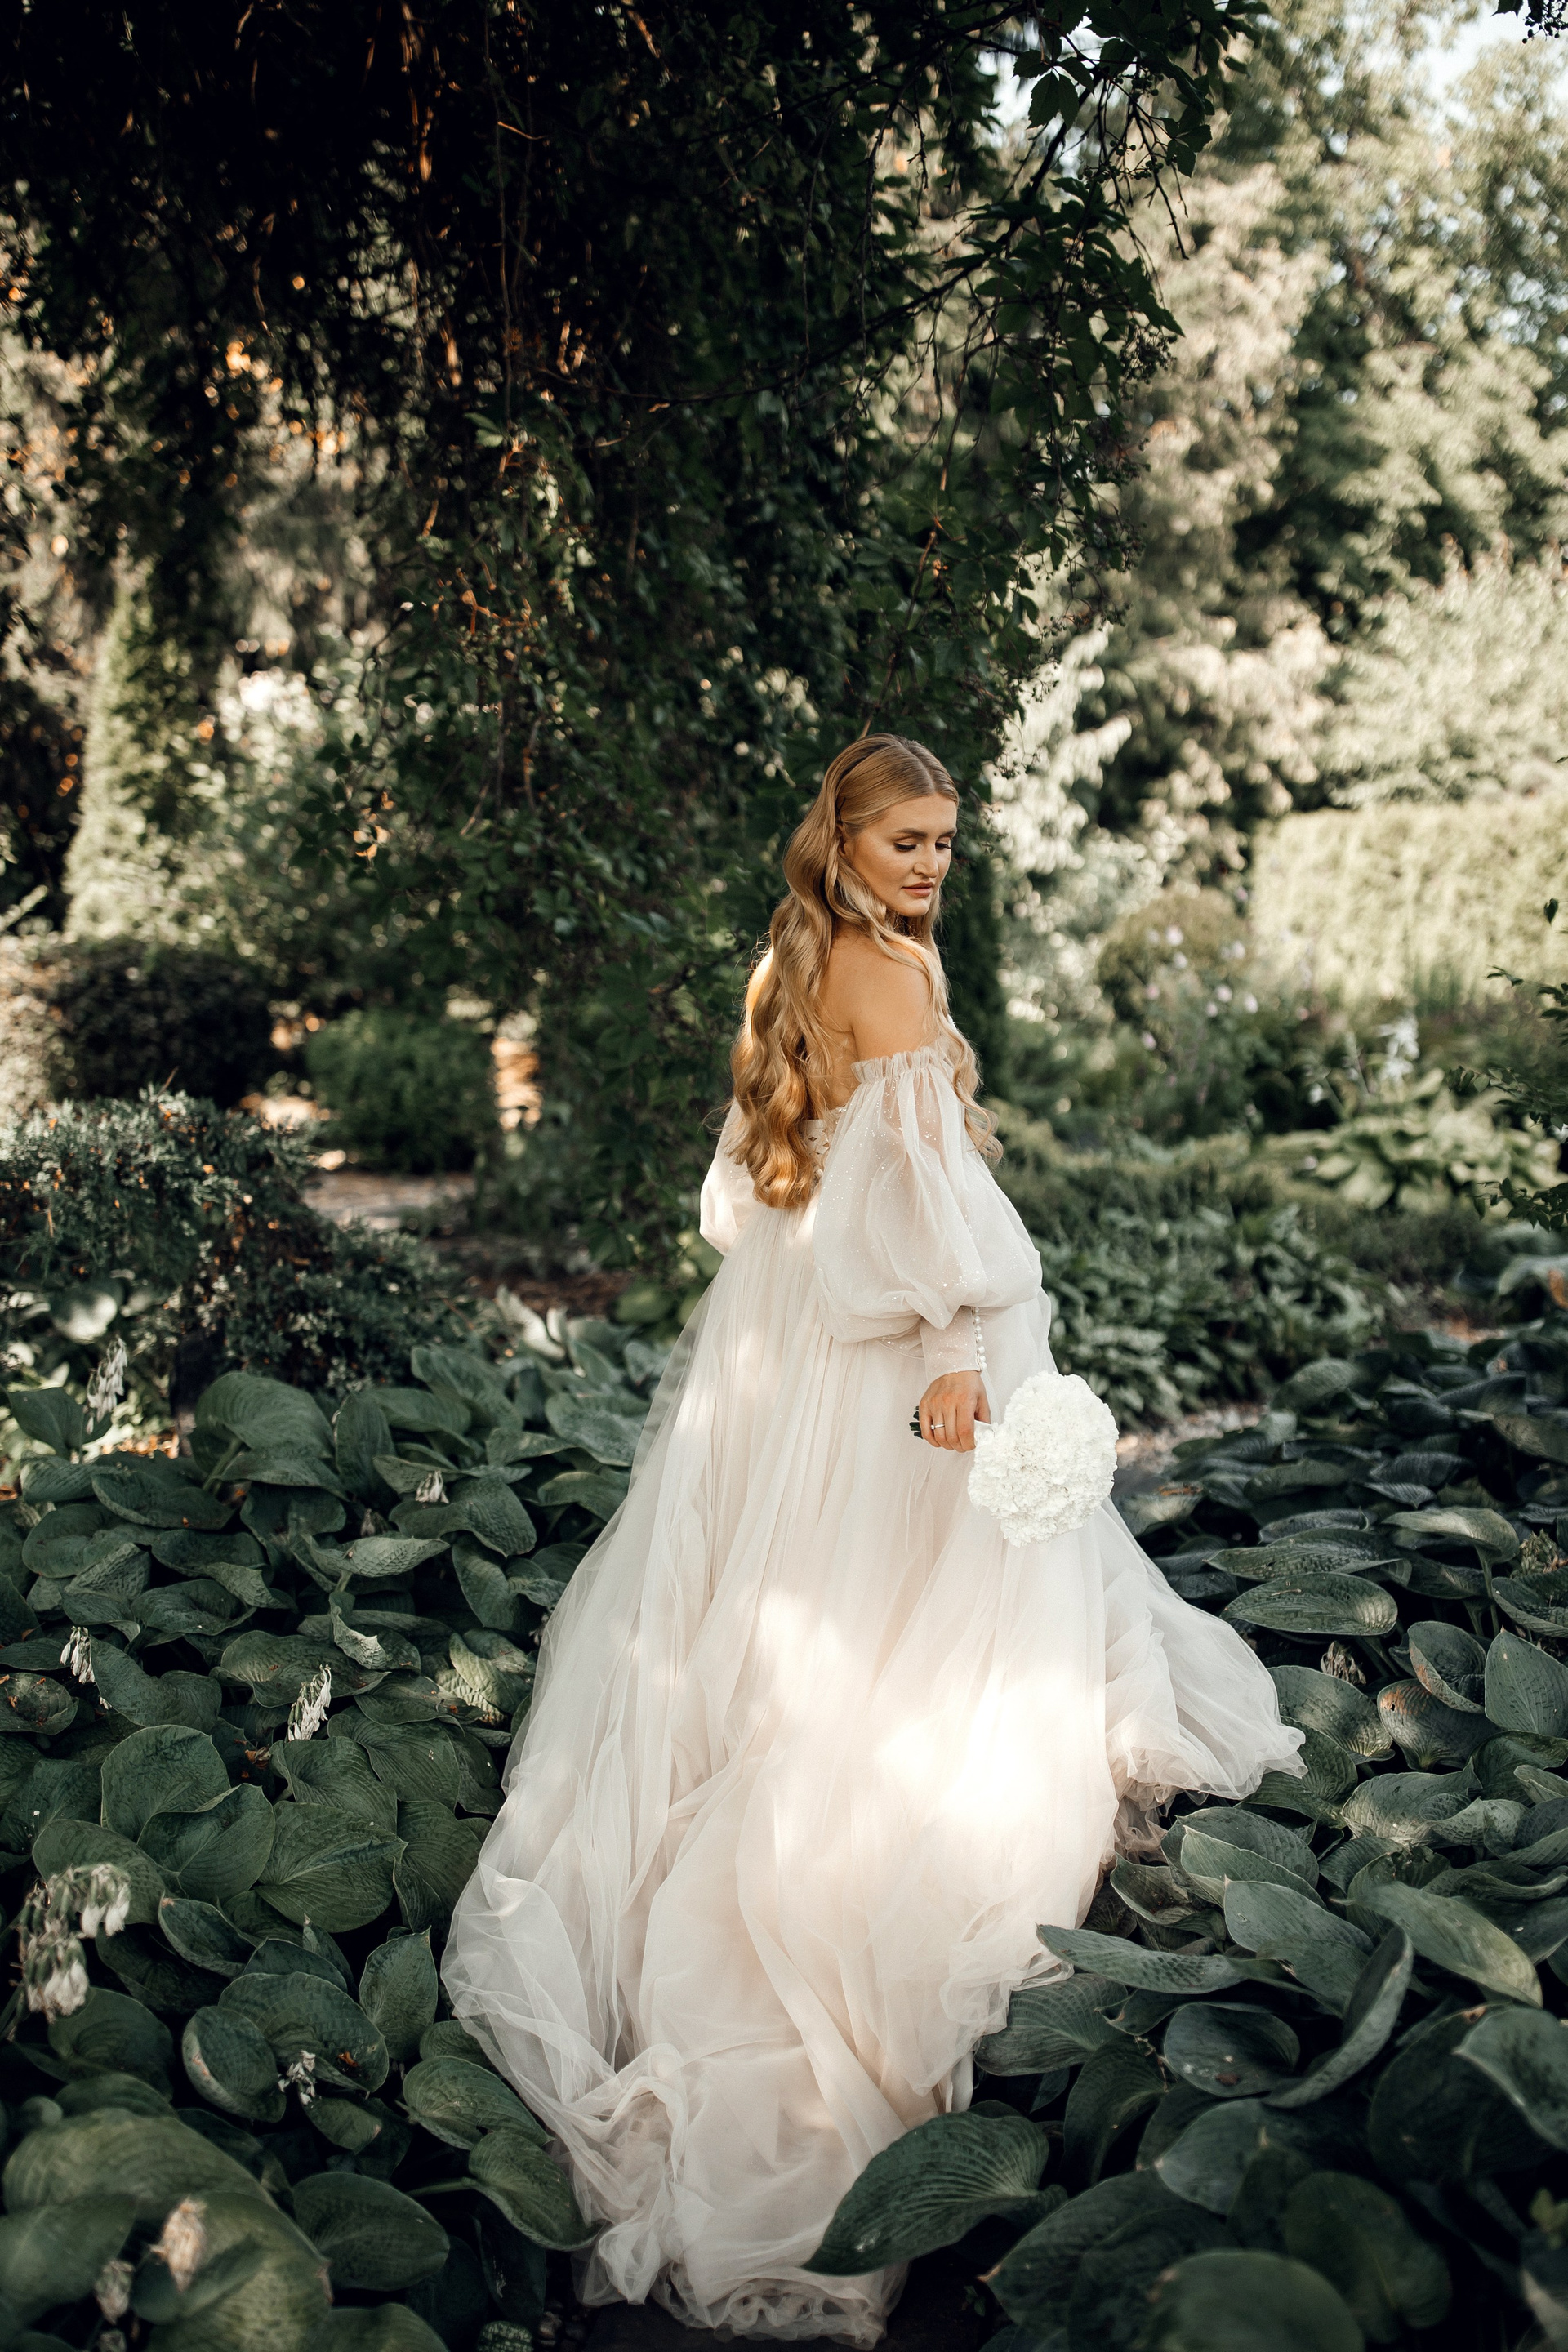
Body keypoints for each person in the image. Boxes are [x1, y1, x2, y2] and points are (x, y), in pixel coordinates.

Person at [443, 734, 1304, 2344]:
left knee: (798, 1599)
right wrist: (963, 1346)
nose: (931, 866)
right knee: (927, 1604)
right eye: (905, 840)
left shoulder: (795, 961)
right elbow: (926, 1198)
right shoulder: (886, 972)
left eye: (945, 841)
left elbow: (750, 1192)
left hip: (792, 1341)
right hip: (903, 1358)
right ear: (843, 837)